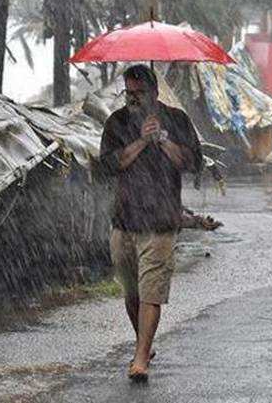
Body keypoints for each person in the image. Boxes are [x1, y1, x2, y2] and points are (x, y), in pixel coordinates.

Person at [99, 64, 202, 382]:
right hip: (125, 221)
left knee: (150, 293)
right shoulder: (116, 123)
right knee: (132, 294)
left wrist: (165, 140)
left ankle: (140, 357)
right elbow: (109, 165)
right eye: (128, 93)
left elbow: (193, 162)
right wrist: (142, 141)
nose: (132, 99)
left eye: (139, 93)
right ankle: (144, 342)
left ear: (155, 93)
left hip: (160, 222)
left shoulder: (176, 119)